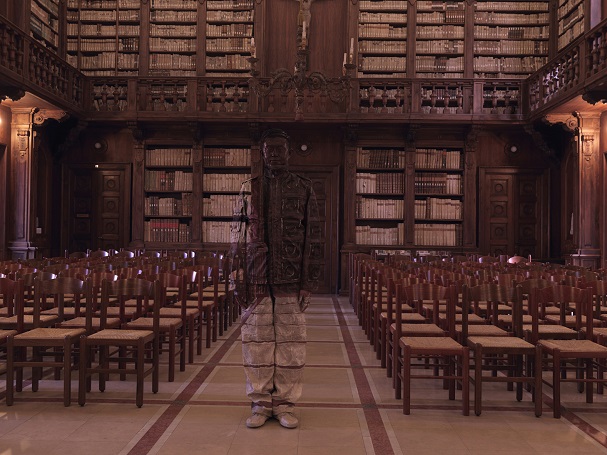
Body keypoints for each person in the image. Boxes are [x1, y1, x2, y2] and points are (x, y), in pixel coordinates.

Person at [229, 128, 318, 429]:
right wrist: (235, 274)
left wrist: (308, 281)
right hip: (256, 280)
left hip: (291, 282)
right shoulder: (249, 188)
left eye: (281, 149)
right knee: (256, 344)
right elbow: (236, 237)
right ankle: (260, 403)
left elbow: (313, 239)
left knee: (292, 345)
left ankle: (285, 404)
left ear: (289, 153)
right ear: (263, 153)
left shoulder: (304, 188)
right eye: (270, 149)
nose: (276, 154)